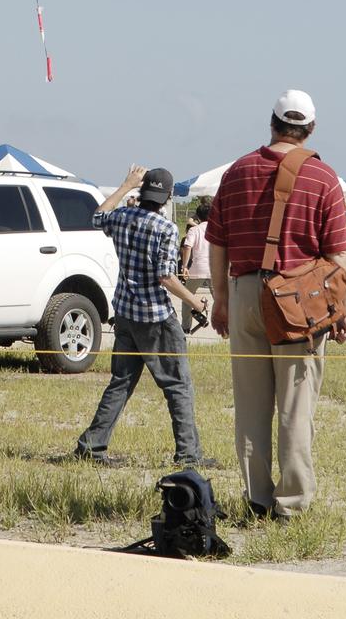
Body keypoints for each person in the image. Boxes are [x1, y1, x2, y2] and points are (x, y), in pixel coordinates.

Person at [207, 90, 346, 520]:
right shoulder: (323, 178)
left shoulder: (236, 172)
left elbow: (217, 242)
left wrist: (221, 299)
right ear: (310, 130)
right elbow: (338, 256)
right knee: (295, 405)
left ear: (271, 124)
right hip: (298, 301)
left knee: (250, 404)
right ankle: (290, 505)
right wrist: (341, 311)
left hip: (245, 291)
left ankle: (256, 499)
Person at [75, 165, 213, 468]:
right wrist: (195, 302)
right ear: (166, 198)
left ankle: (92, 445)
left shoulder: (123, 218)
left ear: (143, 191)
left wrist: (125, 185)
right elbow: (166, 276)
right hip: (156, 319)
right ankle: (189, 454)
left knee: (121, 382)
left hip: (125, 313)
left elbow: (98, 216)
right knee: (178, 385)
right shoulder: (166, 229)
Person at [179, 199, 213, 335]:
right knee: (222, 299)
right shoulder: (218, 229)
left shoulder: (194, 229)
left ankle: (186, 326)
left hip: (198, 268)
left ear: (198, 217)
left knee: (187, 297)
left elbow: (187, 247)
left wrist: (185, 266)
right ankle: (228, 326)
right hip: (214, 269)